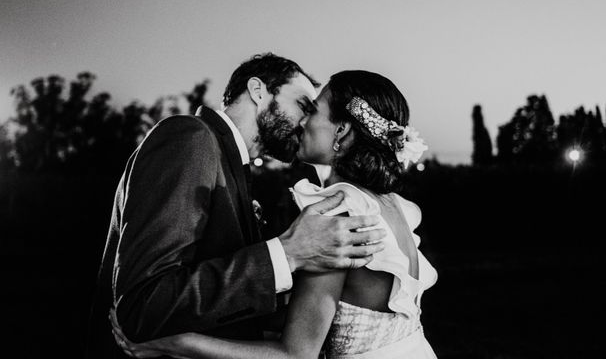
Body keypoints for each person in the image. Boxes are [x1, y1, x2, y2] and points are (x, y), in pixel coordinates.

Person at [111, 70, 439, 358]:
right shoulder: (390, 205)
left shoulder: (339, 214)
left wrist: (175, 344)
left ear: (340, 131)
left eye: (313, 109)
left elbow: (298, 353)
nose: (302, 121)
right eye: (302, 104)